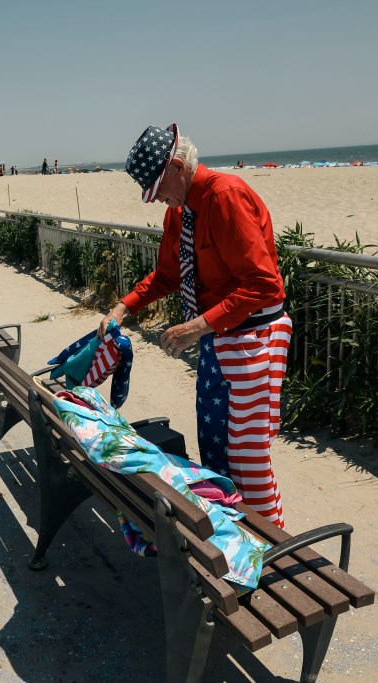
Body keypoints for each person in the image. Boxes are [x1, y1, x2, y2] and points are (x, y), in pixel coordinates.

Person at [98, 123, 291, 528]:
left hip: (253, 337)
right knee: (216, 444)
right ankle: (234, 532)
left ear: (178, 168)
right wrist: (124, 306)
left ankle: (271, 545)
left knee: (248, 456)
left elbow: (264, 285)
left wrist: (197, 325)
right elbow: (168, 276)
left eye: (159, 189)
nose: (158, 200)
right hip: (218, 339)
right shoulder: (181, 211)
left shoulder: (226, 196)